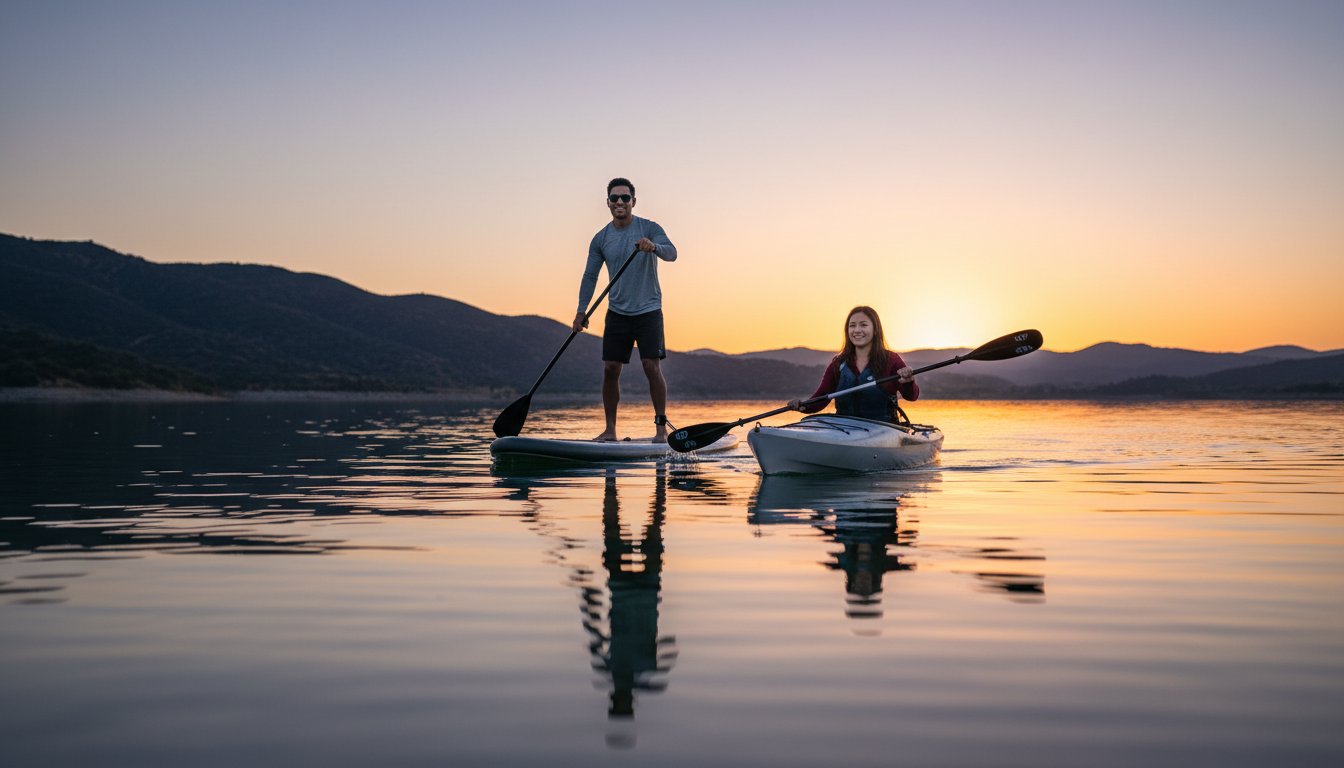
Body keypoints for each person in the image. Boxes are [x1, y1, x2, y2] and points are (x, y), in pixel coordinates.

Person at [573, 178, 678, 442]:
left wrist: (653, 247)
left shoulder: (650, 228)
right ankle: (610, 430)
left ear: (633, 201)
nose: (620, 202)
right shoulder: (601, 239)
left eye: (625, 198)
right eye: (614, 198)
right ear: (607, 202)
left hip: (649, 310)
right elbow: (590, 276)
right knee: (610, 368)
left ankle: (660, 429)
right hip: (617, 312)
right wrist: (581, 310)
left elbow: (672, 253)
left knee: (650, 366)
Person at [788, 306, 919, 421]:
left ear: (875, 330)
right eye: (852, 325)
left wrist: (908, 381)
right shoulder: (838, 363)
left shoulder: (891, 360)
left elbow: (911, 396)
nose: (857, 330)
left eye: (863, 325)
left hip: (884, 430)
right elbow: (821, 398)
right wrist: (802, 406)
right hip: (845, 429)